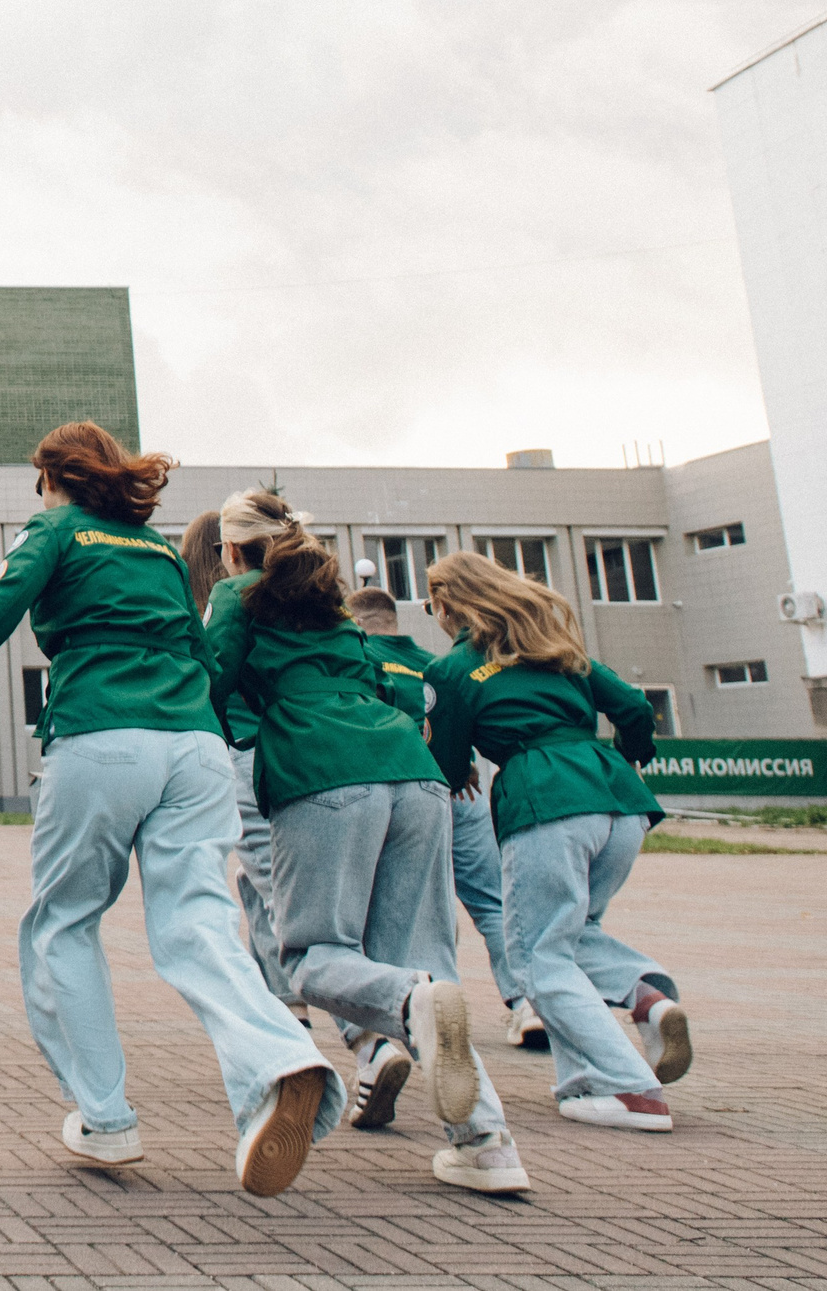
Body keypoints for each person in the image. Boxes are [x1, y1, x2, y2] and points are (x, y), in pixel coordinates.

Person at [0, 422, 340, 1198]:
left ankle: (106, 1118)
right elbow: (206, 659)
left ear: (53, 476)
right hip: (197, 745)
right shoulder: (162, 549)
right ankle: (280, 1060)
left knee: (64, 923)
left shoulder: (58, 527)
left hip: (102, 736)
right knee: (197, 926)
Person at [207, 494, 526, 1195]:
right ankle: (487, 1145)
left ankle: (406, 1006)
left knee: (313, 959)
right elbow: (403, 698)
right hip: (413, 777)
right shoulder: (336, 609)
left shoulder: (236, 594)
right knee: (428, 967)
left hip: (321, 775)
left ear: (231, 550)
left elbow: (213, 678)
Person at [424, 552, 690, 1132]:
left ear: (449, 603)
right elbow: (634, 707)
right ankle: (644, 1003)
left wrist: (461, 770)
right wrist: (627, 759)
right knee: (573, 934)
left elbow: (444, 761)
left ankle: (631, 1090)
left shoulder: (454, 670)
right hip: (618, 803)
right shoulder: (559, 653)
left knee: (535, 957)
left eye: (432, 603)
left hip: (544, 802)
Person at [351, 585, 539, 1049]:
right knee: (492, 903)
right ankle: (527, 1004)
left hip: (402, 787)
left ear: (358, 621)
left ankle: (421, 1004)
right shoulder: (430, 659)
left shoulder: (359, 654)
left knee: (407, 909)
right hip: (462, 785)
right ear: (395, 620)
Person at [183, 511, 300, 1015]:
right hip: (289, 746)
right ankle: (286, 998)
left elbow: (208, 677)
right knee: (255, 880)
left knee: (274, 883)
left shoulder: (214, 603)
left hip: (241, 750)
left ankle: (369, 1031)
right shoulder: (286, 597)